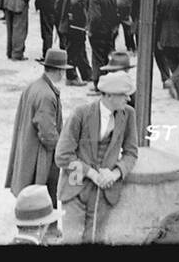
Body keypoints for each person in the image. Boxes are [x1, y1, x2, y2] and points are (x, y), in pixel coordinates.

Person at [54, 69, 139, 244]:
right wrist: (92, 174)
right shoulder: (81, 113)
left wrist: (115, 174)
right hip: (75, 185)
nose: (128, 99)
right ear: (108, 96)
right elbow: (62, 156)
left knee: (95, 240)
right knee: (72, 240)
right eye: (124, 95)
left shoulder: (128, 114)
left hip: (104, 190)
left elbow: (131, 153)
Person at [5, 48, 66, 208]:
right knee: (46, 195)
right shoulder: (47, 95)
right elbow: (47, 134)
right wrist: (62, 149)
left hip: (28, 150)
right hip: (42, 156)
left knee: (32, 195)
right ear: (59, 71)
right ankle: (49, 230)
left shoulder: (34, 86)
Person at [56, 0, 92, 85]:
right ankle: (71, 78)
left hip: (66, 26)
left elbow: (58, 4)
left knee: (80, 51)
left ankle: (87, 74)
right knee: (73, 52)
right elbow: (75, 3)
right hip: (75, 27)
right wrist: (79, 20)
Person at [87, 0, 119, 86]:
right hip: (109, 32)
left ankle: (98, 85)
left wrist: (90, 30)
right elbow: (116, 15)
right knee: (107, 58)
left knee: (97, 59)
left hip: (98, 33)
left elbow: (95, 17)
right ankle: (107, 84)